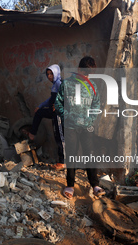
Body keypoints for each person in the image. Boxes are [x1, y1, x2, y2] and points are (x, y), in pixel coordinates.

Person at [54, 56, 105, 199]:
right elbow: (58, 104)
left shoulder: (93, 86)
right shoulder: (67, 84)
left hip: (87, 127)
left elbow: (96, 106)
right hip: (70, 126)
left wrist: (90, 120)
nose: (85, 76)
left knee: (90, 154)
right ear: (78, 69)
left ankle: (94, 185)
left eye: (88, 73)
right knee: (71, 154)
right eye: (84, 72)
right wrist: (67, 116)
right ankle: (70, 185)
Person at [28, 64, 65, 170]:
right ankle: (32, 133)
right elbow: (50, 99)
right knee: (39, 113)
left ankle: (63, 162)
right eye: (47, 74)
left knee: (60, 137)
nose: (49, 76)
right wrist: (40, 106)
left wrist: (58, 105)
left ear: (56, 73)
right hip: (52, 112)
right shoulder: (54, 85)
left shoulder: (60, 83)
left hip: (58, 114)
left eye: (51, 74)